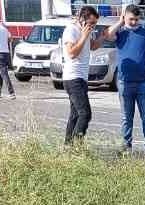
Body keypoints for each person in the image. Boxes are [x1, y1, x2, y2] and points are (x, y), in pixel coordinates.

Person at [107, 5, 145, 156]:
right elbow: (108, 35)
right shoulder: (120, 33)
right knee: (126, 117)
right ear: (125, 17)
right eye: (131, 19)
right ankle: (126, 145)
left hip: (144, 83)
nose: (134, 22)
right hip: (125, 82)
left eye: (136, 19)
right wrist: (120, 22)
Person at [60, 6, 101, 145]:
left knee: (75, 114)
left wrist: (103, 36)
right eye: (91, 23)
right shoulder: (71, 30)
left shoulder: (86, 30)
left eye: (95, 24)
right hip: (73, 78)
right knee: (85, 113)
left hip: (81, 78)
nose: (93, 27)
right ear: (82, 19)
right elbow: (72, 53)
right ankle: (77, 146)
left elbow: (93, 46)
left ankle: (68, 145)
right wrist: (83, 36)